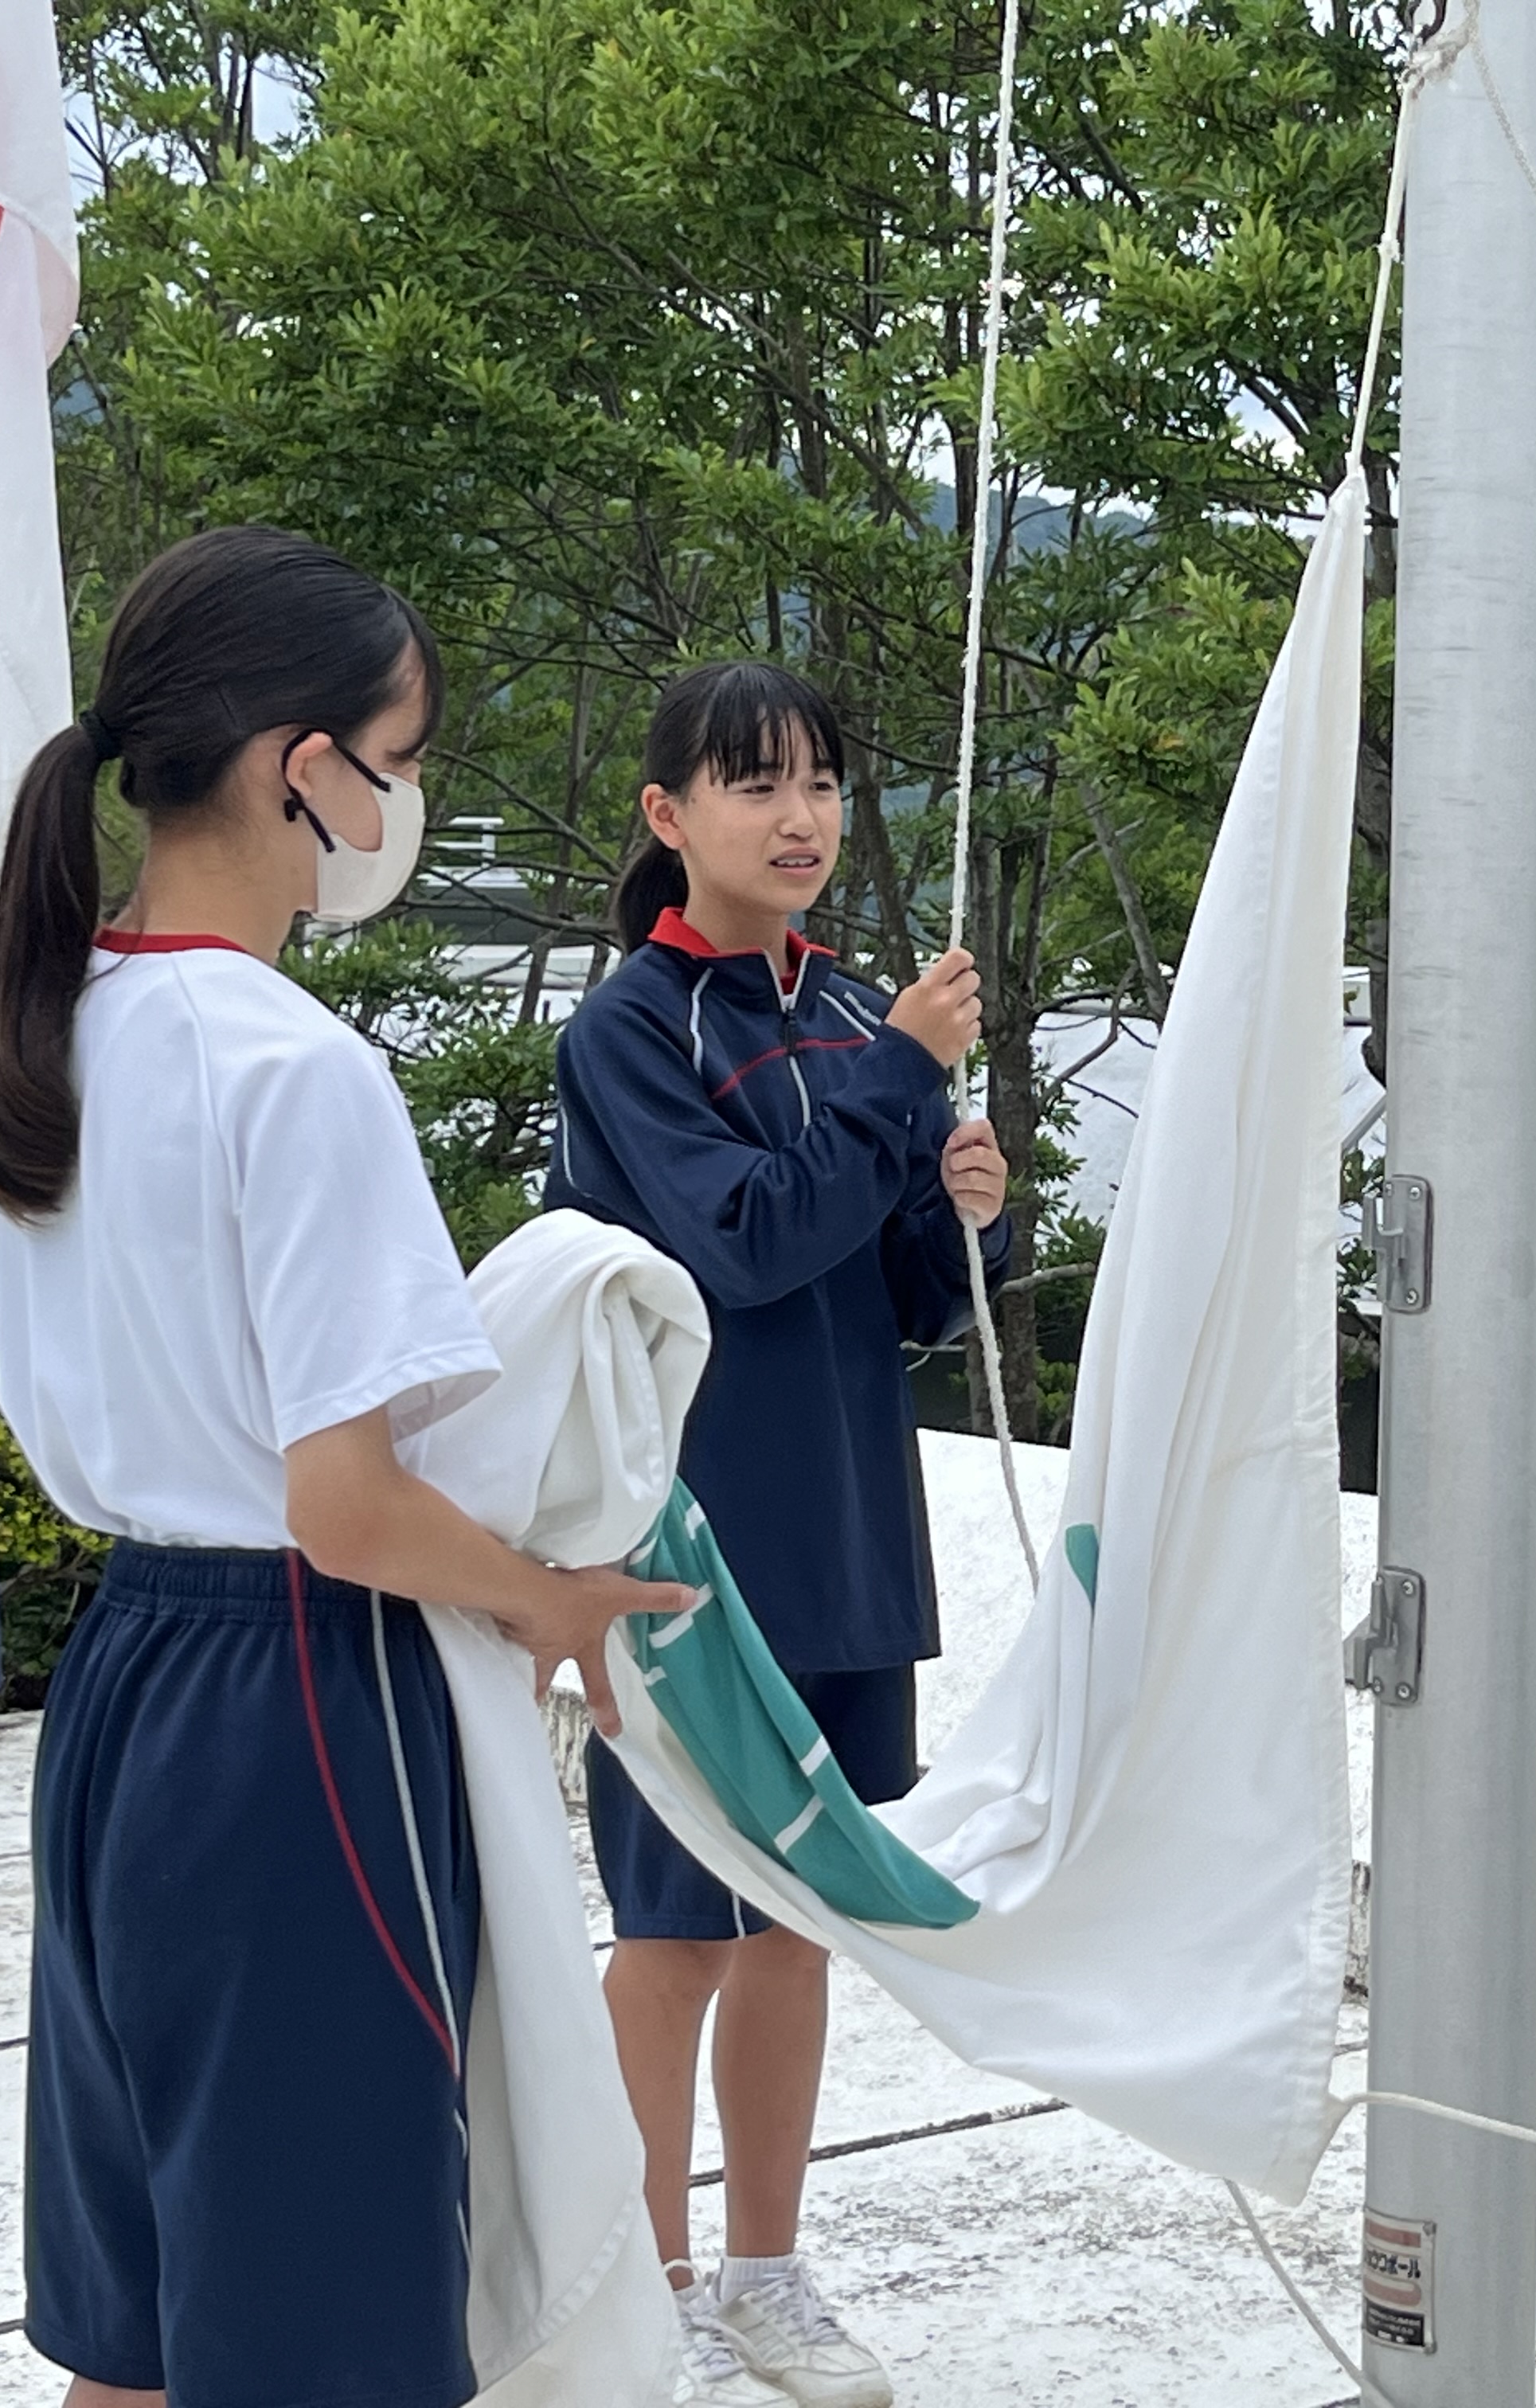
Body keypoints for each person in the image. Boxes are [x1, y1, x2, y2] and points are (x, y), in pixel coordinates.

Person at [0, 526, 688, 2408]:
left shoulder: (56, 1022)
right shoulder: (290, 1067)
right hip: (300, 1697)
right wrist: (549, 1601)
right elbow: (345, 1504)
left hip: (126, 1687)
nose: (405, 797)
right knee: (326, 2321)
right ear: (307, 768)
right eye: (402, 754)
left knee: (137, 2309)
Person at [543, 660, 1009, 2408]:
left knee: (801, 1924)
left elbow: (899, 1295)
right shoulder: (631, 1031)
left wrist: (970, 1222)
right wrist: (903, 1082)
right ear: (668, 816)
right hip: (684, 1545)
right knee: (672, 1932)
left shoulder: (863, 1011)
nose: (801, 816)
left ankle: (767, 2274)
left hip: (846, 1529)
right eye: (756, 783)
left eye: (819, 780)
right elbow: (739, 1243)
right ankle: (645, 2288)